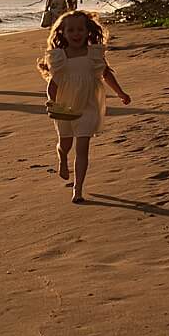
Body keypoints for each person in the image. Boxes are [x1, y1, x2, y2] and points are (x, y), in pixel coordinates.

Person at [39, 11, 130, 204]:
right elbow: (53, 85)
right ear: (62, 33)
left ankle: (77, 188)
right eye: (71, 30)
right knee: (66, 145)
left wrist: (120, 93)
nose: (76, 34)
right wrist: (52, 104)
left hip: (88, 106)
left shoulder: (94, 54)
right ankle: (62, 158)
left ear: (88, 31)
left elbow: (106, 75)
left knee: (82, 147)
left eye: (80, 29)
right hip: (65, 107)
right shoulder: (59, 57)